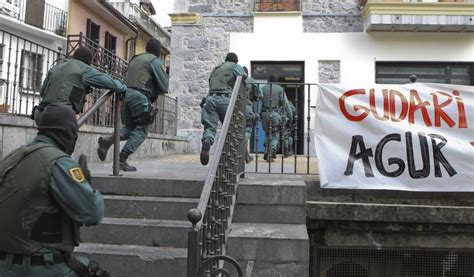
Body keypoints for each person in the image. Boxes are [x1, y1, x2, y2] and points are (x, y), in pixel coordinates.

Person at [0, 103, 108, 277]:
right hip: (38, 265)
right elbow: (92, 213)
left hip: (5, 263)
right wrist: (86, 185)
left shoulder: (13, 156)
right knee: (94, 271)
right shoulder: (59, 162)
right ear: (67, 132)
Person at [97, 38, 169, 171]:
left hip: (125, 95)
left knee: (130, 128)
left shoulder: (135, 58)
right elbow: (164, 86)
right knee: (142, 129)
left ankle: (107, 141)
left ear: (147, 48)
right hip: (139, 96)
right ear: (158, 52)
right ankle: (122, 159)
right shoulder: (154, 61)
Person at [33, 46, 127, 125]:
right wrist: (123, 86)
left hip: (40, 113)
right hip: (60, 115)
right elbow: (110, 83)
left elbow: (42, 92)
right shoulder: (86, 70)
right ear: (89, 62)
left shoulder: (57, 67)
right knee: (67, 140)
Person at [200, 52, 247, 166]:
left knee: (210, 128)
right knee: (232, 129)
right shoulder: (235, 66)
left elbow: (211, 84)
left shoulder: (216, 69)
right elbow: (243, 76)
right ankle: (230, 159)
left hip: (210, 99)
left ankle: (207, 142)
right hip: (225, 100)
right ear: (235, 61)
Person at [260, 74, 291, 162]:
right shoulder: (280, 89)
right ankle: (270, 152)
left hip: (264, 113)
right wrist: (290, 116)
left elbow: (257, 101)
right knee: (275, 133)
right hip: (274, 113)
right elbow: (285, 103)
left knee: (267, 132)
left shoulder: (262, 88)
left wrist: (257, 113)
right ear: (276, 81)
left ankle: (266, 149)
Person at [243, 66, 262, 163]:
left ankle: (246, 155)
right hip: (247, 108)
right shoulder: (251, 81)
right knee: (247, 130)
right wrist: (257, 112)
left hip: (233, 109)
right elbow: (259, 96)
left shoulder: (232, 81)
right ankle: (244, 152)